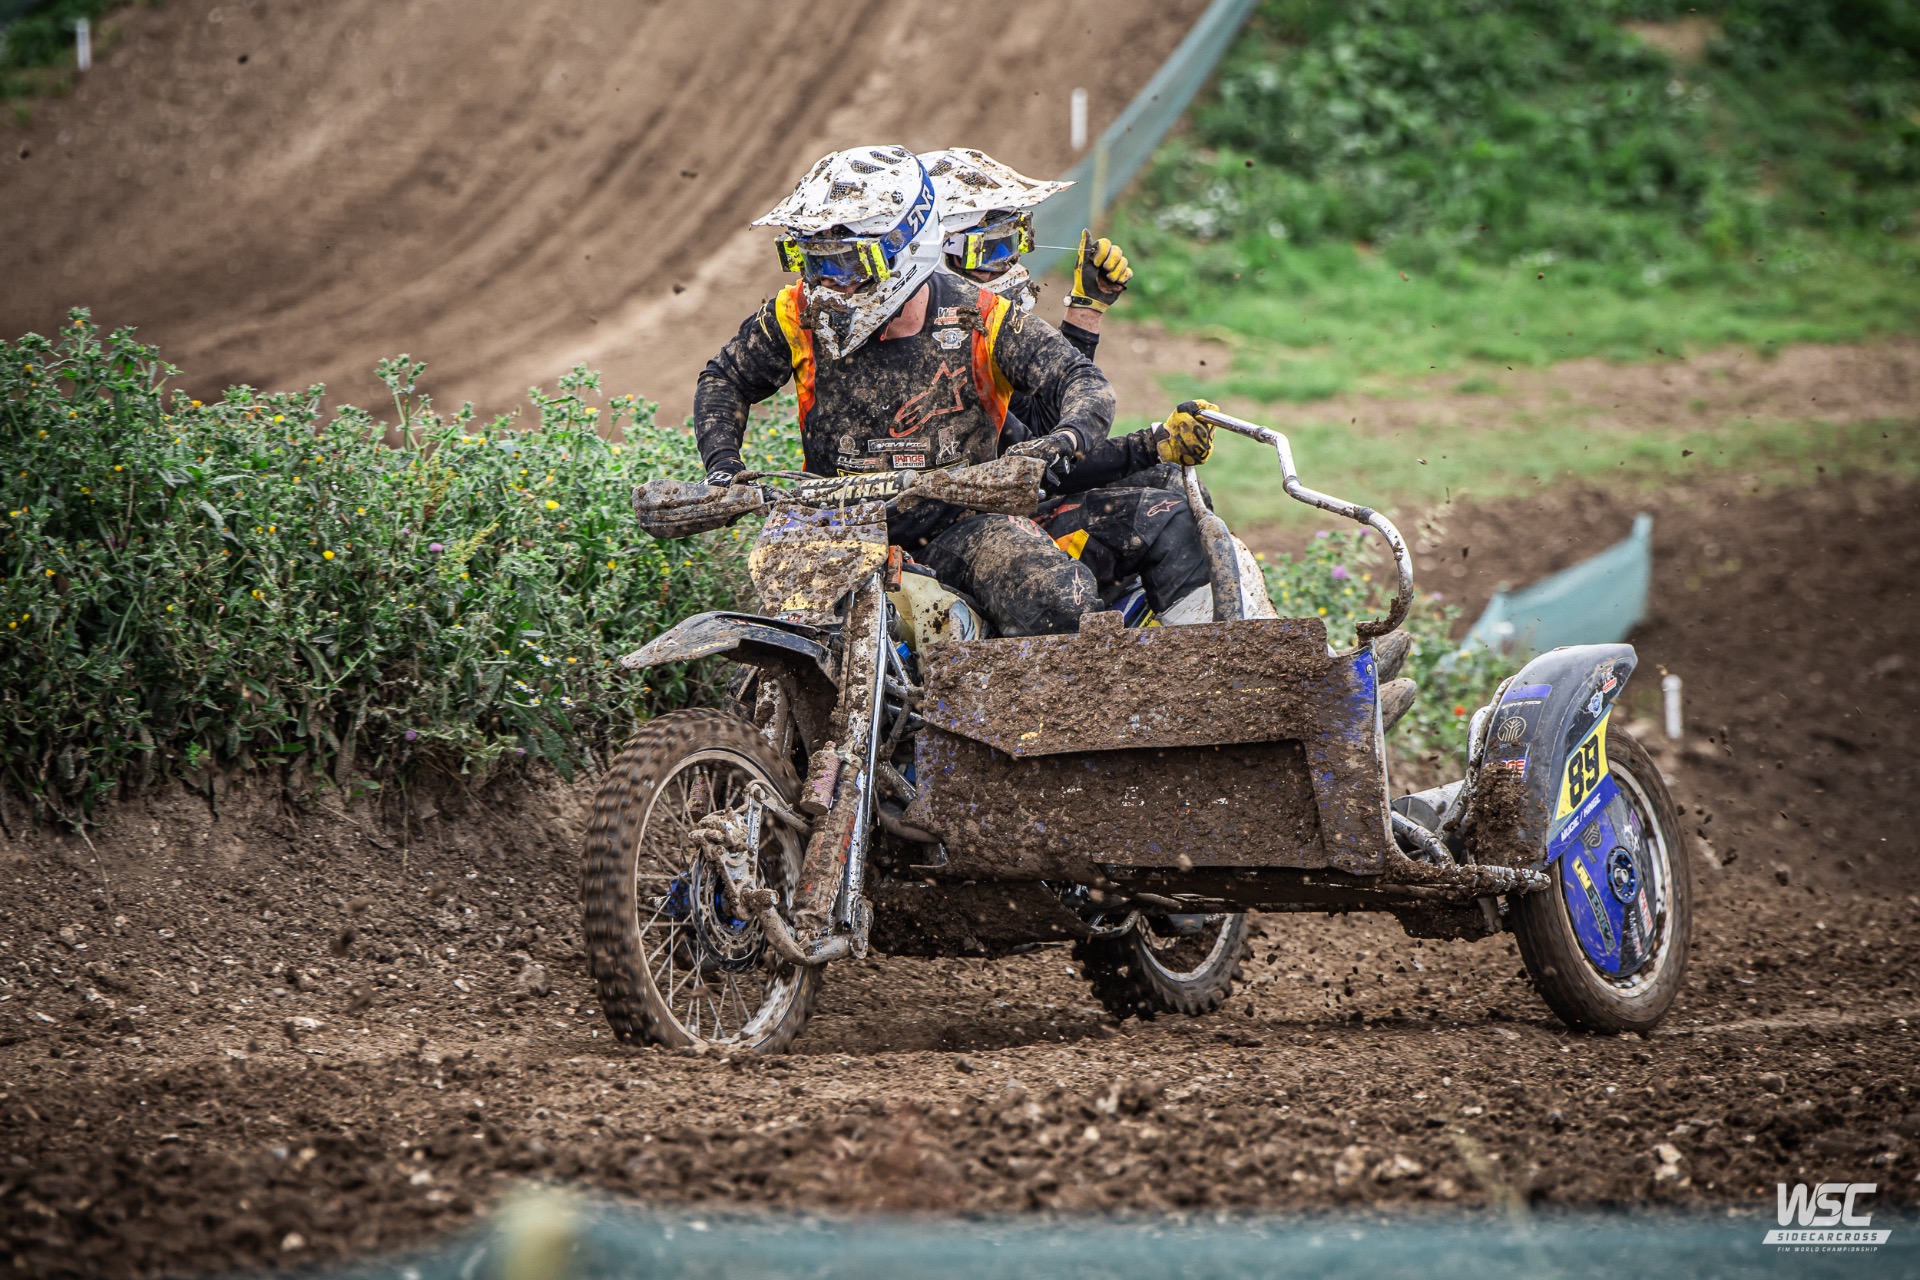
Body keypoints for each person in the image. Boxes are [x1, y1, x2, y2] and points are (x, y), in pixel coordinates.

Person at [692, 145, 1116, 637]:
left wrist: (1062, 442)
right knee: (777, 639)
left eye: (844, 264)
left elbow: (1082, 381)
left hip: (962, 524)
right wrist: (723, 467)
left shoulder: (981, 315)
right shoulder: (796, 313)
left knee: (1061, 601)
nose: (828, 283)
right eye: (811, 262)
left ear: (905, 246)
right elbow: (724, 378)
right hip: (831, 524)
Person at [919, 148, 1262, 624]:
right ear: (933, 253)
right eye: (991, 249)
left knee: (1175, 484)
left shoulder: (971, 328)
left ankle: (1192, 629)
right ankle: (1204, 658)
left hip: (1002, 501)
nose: (1010, 260)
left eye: (1015, 240)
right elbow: (1039, 465)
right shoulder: (935, 346)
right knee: (1166, 517)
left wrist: (1087, 309)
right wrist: (1150, 444)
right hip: (965, 528)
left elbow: (1039, 424)